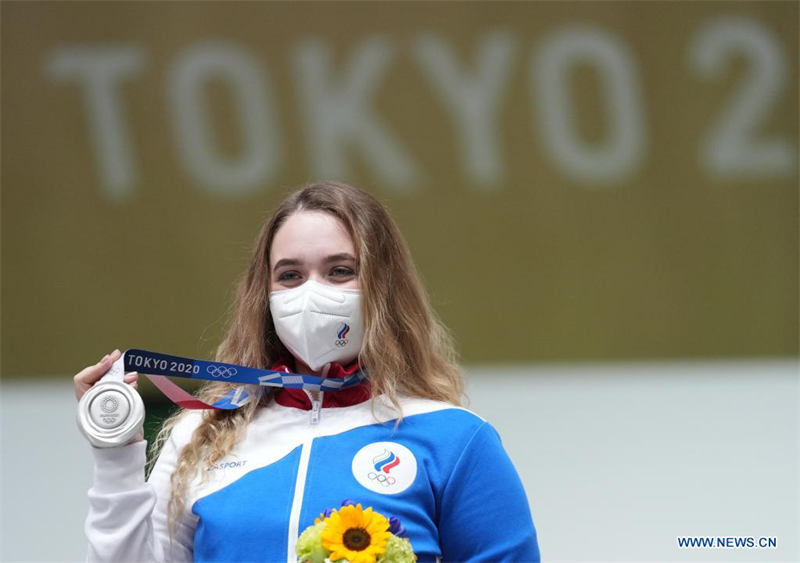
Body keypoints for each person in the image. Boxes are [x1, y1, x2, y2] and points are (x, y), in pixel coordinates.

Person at [74, 181, 540, 562]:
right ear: (265, 294)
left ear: (384, 288)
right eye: (290, 276)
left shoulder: (455, 440)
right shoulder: (202, 434)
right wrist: (115, 455)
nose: (311, 294)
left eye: (339, 271)